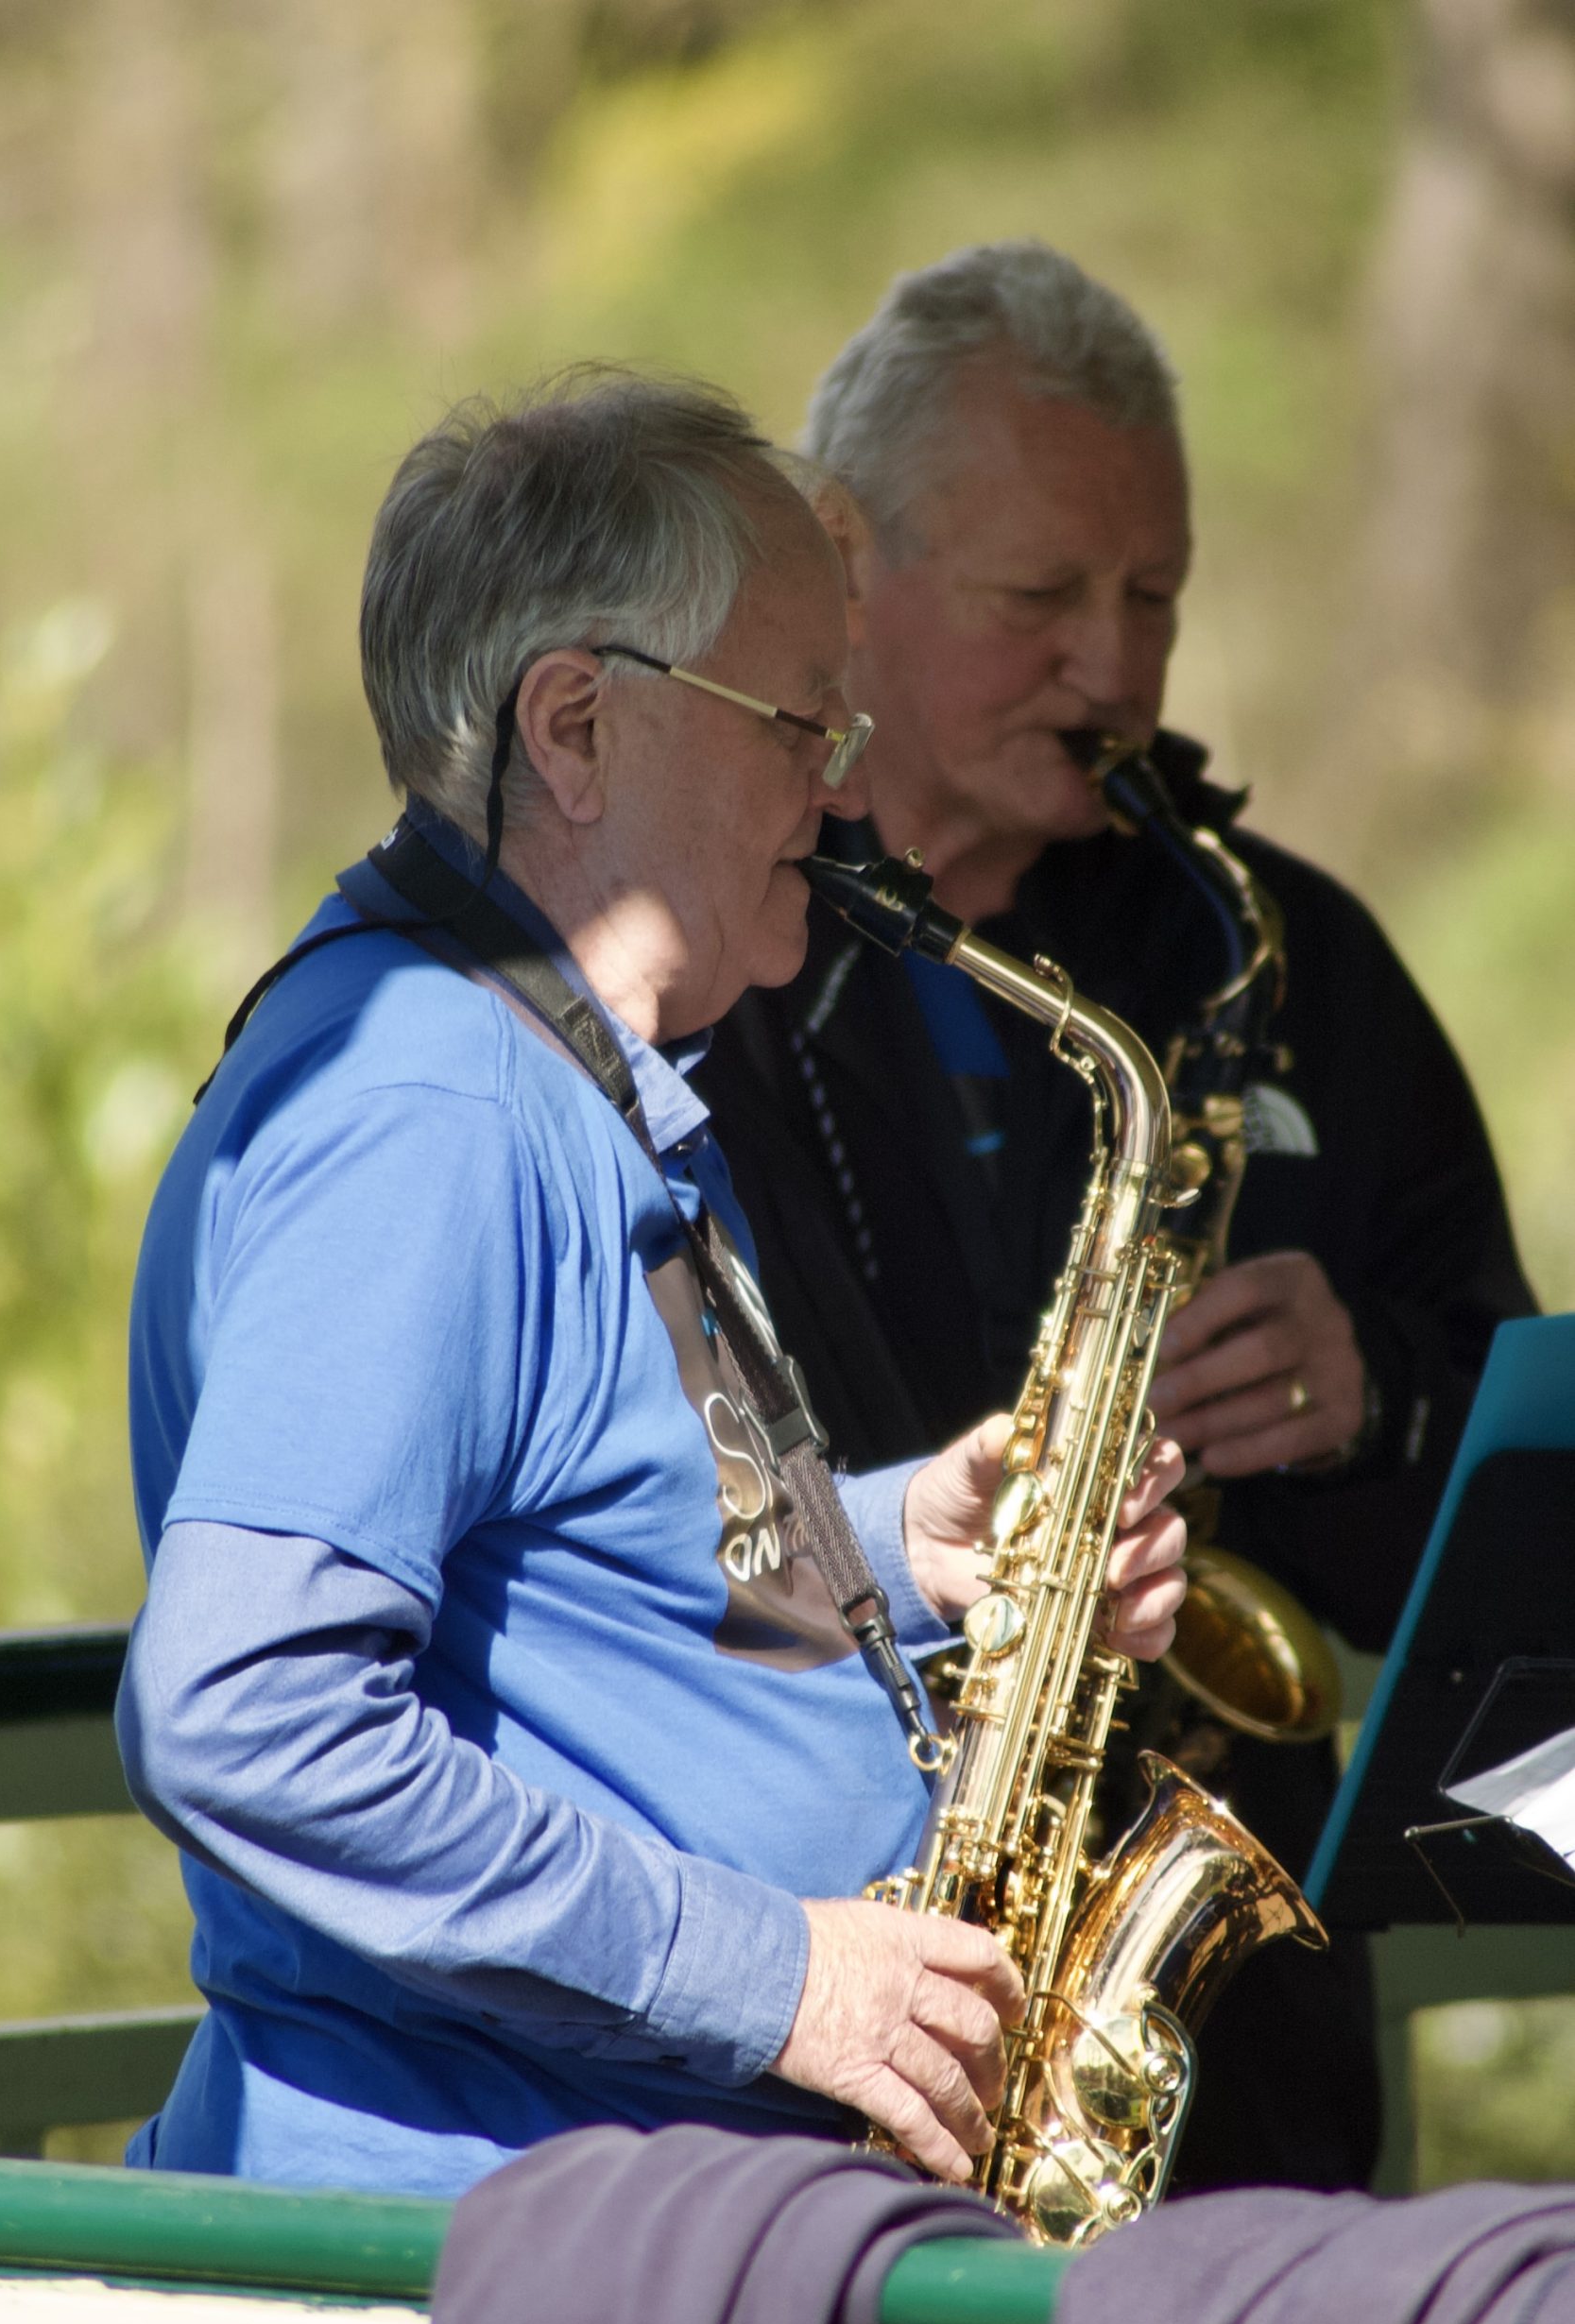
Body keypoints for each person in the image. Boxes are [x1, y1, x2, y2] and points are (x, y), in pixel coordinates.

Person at [115, 369, 1187, 2197]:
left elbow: (591, 1580)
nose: (842, 786)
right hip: (467, 2267)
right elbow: (244, 1719)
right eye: (801, 720)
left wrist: (890, 1553)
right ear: (576, 729)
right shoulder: (434, 1111)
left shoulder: (568, 1080)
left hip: (618, 2225)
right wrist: (783, 1983)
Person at [701, 243, 1538, 2190]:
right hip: (812, 2030)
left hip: (1242, 2054)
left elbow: (1517, 1528)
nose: (1117, 669)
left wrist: (1380, 1397)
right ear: (845, 567)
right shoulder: (702, 955)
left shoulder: (1282, 955)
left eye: (1151, 595)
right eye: (1041, 598)